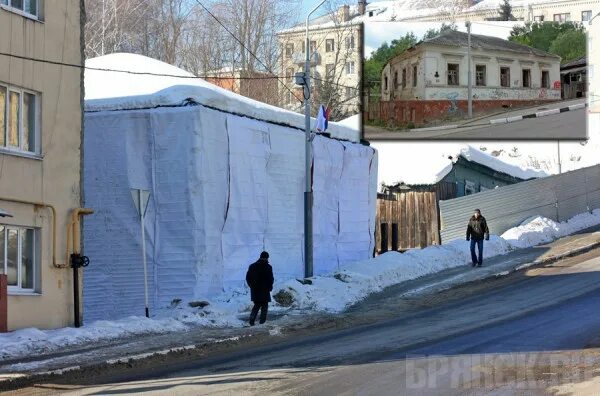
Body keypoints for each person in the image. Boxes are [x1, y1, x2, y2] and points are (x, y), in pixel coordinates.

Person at [245, 251, 274, 326]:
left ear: (260, 257)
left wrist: (251, 286)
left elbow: (248, 278)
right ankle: (262, 322)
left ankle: (252, 320)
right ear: (267, 258)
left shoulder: (252, 266)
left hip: (255, 290)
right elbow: (271, 279)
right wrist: (270, 287)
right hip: (265, 290)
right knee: (264, 306)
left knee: (256, 305)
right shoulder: (268, 267)